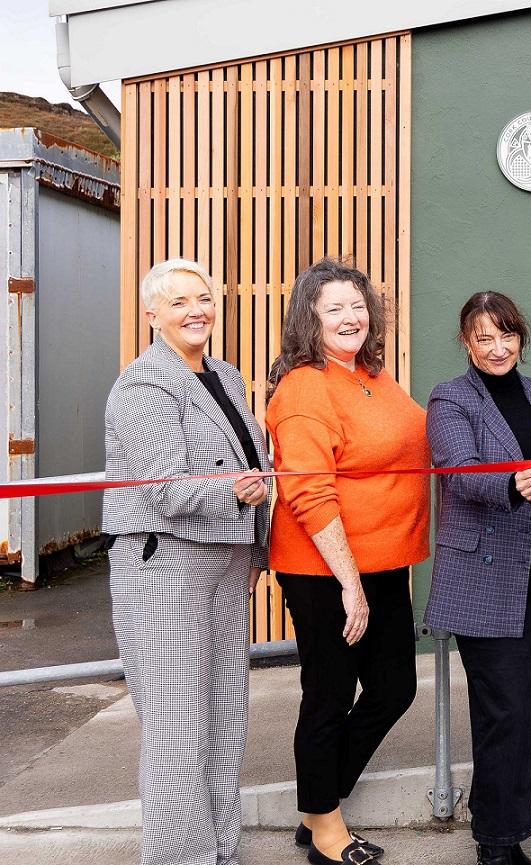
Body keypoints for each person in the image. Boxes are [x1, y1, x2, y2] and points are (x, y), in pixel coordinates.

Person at [103, 257, 271, 865]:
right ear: (151, 315)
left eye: (203, 299)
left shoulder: (224, 375)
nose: (196, 310)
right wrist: (233, 491)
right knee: (177, 734)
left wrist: (255, 549)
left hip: (224, 571)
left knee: (224, 725)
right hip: (165, 570)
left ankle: (218, 853)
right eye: (178, 302)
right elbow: (163, 488)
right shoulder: (146, 383)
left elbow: (254, 460)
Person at [266, 258, 429, 865]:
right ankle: (326, 829)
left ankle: (318, 800)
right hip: (325, 571)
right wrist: (349, 584)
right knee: (329, 693)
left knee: (394, 687)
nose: (350, 316)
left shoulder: (369, 377)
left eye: (357, 305)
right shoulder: (306, 386)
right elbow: (309, 490)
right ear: (309, 318)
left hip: (383, 564)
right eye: (333, 308)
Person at [423, 292, 531, 865]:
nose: (498, 349)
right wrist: (510, 485)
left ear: (521, 337)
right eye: (484, 338)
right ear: (465, 343)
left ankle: (523, 815)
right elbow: (458, 472)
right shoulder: (451, 398)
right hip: (485, 578)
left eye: (507, 336)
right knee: (504, 710)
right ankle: (496, 843)